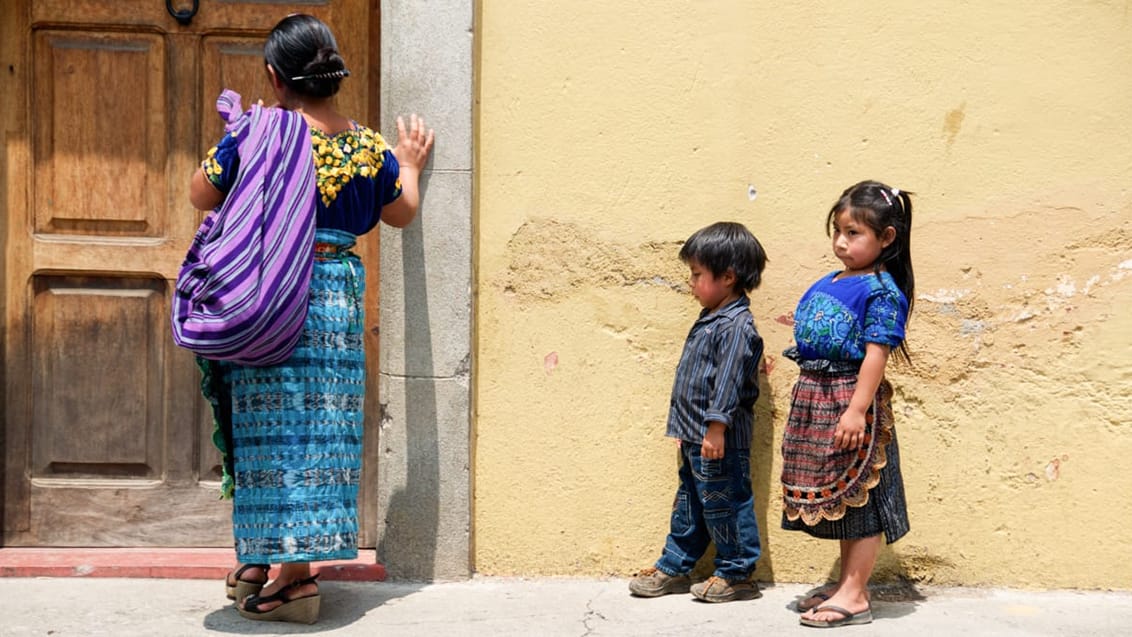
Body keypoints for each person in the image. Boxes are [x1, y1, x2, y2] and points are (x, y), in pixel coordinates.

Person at [189, 14, 434, 625]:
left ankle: (287, 576)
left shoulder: (256, 135)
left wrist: (237, 140)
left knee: (264, 433)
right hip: (332, 299)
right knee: (319, 433)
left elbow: (200, 193)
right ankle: (278, 566)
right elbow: (401, 212)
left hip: (268, 294)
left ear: (275, 77)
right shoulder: (365, 146)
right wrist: (408, 162)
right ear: (333, 76)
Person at [780, 180, 914, 628]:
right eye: (838, 230)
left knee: (862, 497)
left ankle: (855, 594)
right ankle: (845, 583)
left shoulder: (881, 290)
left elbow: (877, 351)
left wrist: (856, 409)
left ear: (886, 238)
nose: (841, 241)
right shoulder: (835, 279)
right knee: (845, 498)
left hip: (850, 401)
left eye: (854, 233)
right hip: (817, 398)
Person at [629, 221, 768, 603]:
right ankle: (675, 565)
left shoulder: (737, 325)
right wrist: (689, 429)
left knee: (725, 504)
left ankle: (736, 573)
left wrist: (715, 428)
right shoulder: (712, 317)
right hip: (697, 437)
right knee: (690, 502)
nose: (690, 283)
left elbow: (726, 382)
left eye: (696, 274)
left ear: (728, 276)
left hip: (718, 440)